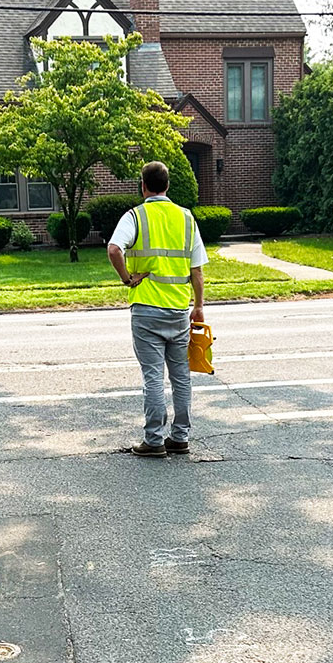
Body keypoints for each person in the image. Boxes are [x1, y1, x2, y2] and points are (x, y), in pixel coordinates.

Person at [106, 160, 207, 458]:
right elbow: (197, 270)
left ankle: (153, 440)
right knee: (181, 376)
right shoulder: (186, 218)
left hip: (147, 309)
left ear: (143, 185)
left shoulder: (135, 216)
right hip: (178, 309)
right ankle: (180, 437)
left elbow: (114, 249)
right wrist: (199, 306)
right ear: (168, 185)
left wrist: (128, 279)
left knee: (152, 375)